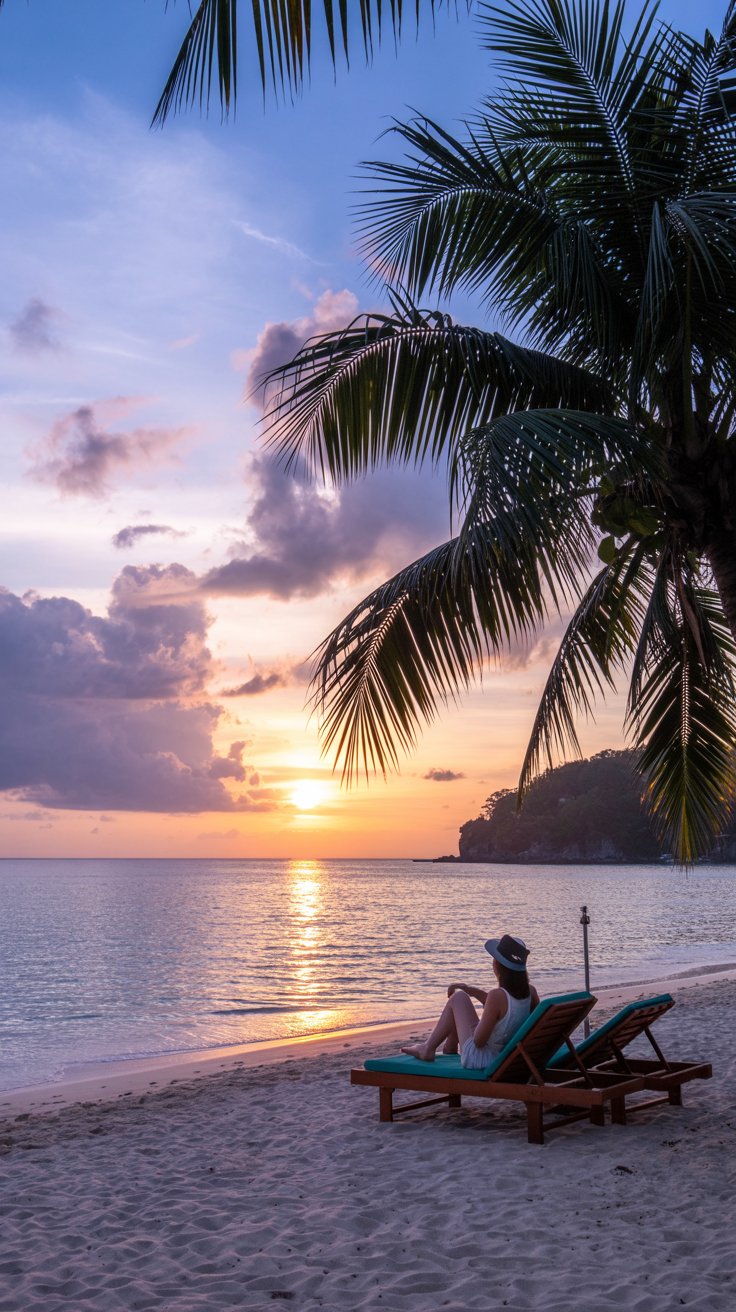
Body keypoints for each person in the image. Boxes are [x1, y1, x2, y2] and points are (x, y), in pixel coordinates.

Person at [401, 934, 539, 1069]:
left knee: (458, 998)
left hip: (483, 1058)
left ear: (498, 965)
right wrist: (469, 990)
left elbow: (479, 1041)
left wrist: (473, 1025)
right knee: (462, 1001)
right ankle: (449, 1047)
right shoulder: (530, 992)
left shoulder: (497, 996)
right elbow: (507, 1008)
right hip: (507, 1055)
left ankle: (427, 1049)